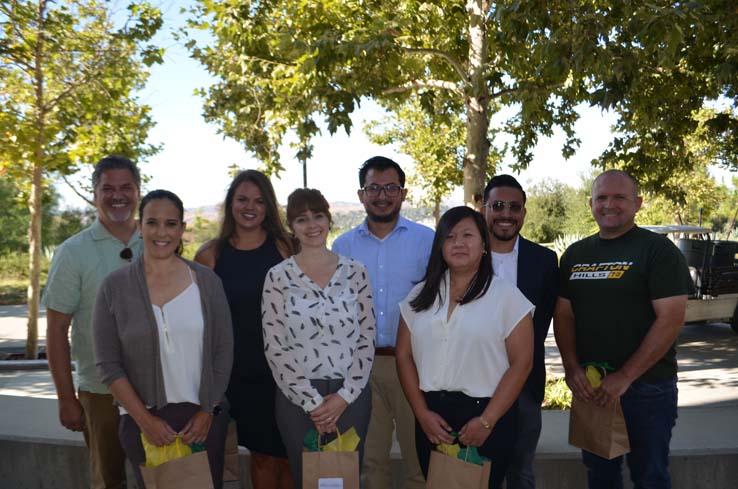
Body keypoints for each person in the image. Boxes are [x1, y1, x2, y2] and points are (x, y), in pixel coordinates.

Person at [554, 170, 692, 489]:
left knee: (650, 476)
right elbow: (563, 315)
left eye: (619, 197)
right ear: (591, 203)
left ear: (638, 203)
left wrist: (625, 376)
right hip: (593, 386)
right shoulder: (575, 254)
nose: (609, 204)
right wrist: (572, 368)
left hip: (647, 389)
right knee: (600, 476)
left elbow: (671, 319)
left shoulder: (658, 251)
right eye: (602, 197)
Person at [92, 190, 234, 489]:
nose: (161, 232)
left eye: (171, 224)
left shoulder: (206, 282)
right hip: (144, 421)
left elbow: (223, 351)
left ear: (182, 229)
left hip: (202, 421)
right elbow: (108, 364)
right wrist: (145, 421)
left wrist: (207, 410)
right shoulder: (114, 288)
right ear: (139, 226)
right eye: (152, 222)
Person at [396, 206, 535, 489]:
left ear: (484, 245)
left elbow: (522, 363)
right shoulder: (419, 295)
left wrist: (487, 421)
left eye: (468, 235)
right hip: (432, 419)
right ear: (440, 247)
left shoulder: (506, 296)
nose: (458, 243)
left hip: (487, 417)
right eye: (450, 237)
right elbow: (403, 355)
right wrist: (422, 414)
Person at [262, 188, 376, 488]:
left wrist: (344, 397)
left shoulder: (356, 273)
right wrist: (312, 402)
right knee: (309, 480)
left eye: (318, 216)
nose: (312, 225)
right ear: (292, 226)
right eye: (302, 219)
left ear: (329, 219)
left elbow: (367, 337)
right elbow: (275, 346)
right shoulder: (277, 277)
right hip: (297, 399)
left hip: (351, 395)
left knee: (346, 479)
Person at [332, 156, 432, 489]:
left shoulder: (426, 241)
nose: (382, 195)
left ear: (403, 194)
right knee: (371, 464)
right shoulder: (342, 246)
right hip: (361, 369)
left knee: (419, 459)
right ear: (361, 195)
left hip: (414, 364)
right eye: (374, 187)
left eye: (391, 187)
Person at [44, 155, 142, 489]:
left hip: (157, 390)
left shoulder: (160, 240)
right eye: (108, 188)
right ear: (94, 193)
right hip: (101, 393)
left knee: (163, 480)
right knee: (108, 481)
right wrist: (66, 398)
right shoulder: (73, 252)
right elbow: (56, 329)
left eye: (126, 187)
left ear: (138, 191)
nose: (118, 195)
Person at [195, 170, 295, 489]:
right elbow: (198, 322)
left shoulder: (285, 248)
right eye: (242, 199)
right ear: (230, 204)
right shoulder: (210, 255)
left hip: (284, 374)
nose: (250, 207)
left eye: (259, 200)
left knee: (292, 455)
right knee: (263, 457)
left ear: (268, 207)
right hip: (238, 374)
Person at [482, 175, 559, 489]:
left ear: (524, 213)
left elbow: (548, 321)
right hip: (472, 385)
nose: (506, 213)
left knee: (521, 473)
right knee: (477, 471)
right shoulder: (462, 255)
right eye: (497, 205)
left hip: (525, 384)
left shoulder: (544, 260)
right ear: (483, 208)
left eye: (514, 207)